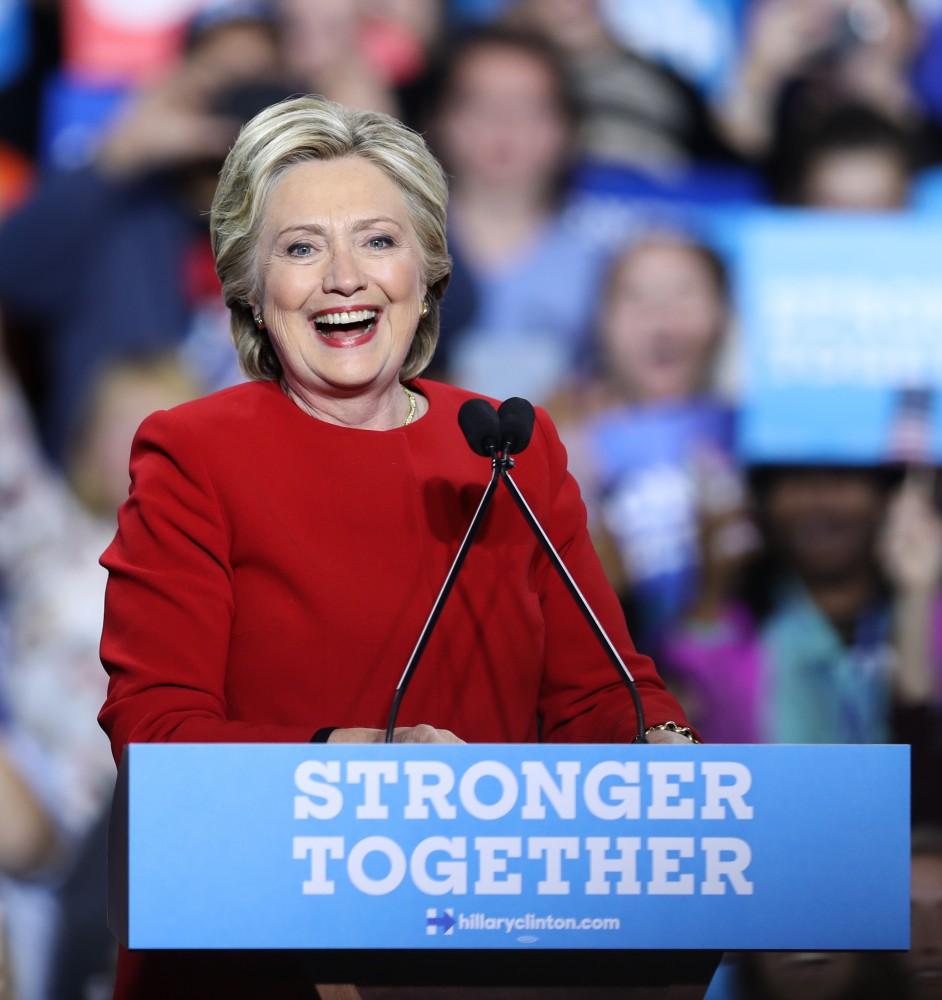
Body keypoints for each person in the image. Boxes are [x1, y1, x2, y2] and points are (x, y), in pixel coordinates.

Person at [97, 95, 696, 999]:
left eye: (377, 240)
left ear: (428, 270)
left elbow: (600, 695)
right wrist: (363, 764)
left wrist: (667, 746)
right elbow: (160, 738)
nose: (345, 277)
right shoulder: (194, 454)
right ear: (253, 289)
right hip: (258, 952)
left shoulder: (506, 444)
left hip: (492, 955)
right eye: (301, 249)